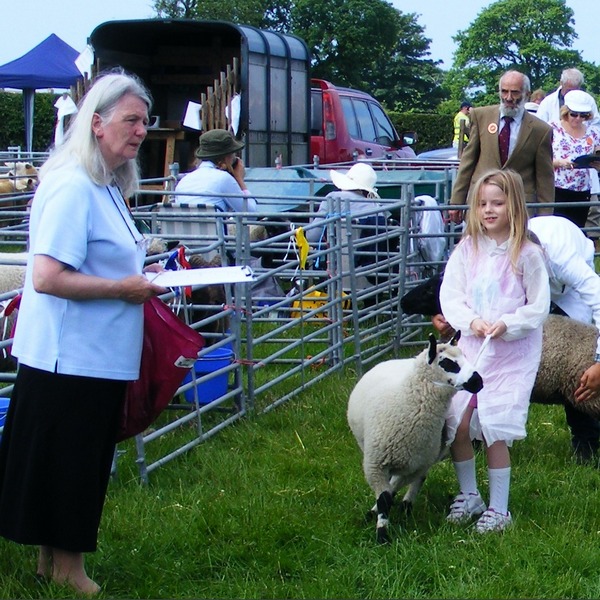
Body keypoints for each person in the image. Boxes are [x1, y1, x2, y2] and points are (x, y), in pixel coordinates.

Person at [0, 71, 167, 595]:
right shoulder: (73, 186)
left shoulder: (105, 186)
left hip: (91, 355)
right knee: (70, 465)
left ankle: (51, 565)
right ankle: (70, 572)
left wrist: (144, 279)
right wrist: (123, 288)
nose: (141, 130)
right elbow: (48, 277)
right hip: (68, 357)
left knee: (68, 462)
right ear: (96, 123)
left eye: (146, 121)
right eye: (131, 120)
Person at [440, 169, 550, 533]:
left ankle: (499, 509)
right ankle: (469, 493)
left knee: (494, 426)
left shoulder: (527, 254)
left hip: (510, 354)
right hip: (472, 347)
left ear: (513, 205)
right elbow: (451, 294)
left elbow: (538, 306)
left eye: (497, 203)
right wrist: (470, 321)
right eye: (483, 203)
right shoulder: (467, 248)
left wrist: (507, 324)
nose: (488, 210)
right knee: (458, 421)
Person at [449, 70, 554, 223]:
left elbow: (545, 177)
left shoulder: (541, 130)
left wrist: (546, 218)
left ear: (527, 94)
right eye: (504, 91)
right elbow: (468, 162)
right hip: (481, 204)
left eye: (515, 93)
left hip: (519, 207)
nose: (508, 98)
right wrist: (457, 201)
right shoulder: (480, 116)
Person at [550, 90, 600, 228]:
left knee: (577, 229)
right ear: (566, 112)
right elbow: (540, 159)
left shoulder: (593, 132)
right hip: (557, 188)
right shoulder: (552, 128)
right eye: (574, 114)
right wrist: (558, 163)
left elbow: (597, 151)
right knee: (557, 229)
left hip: (582, 190)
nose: (578, 118)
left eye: (583, 116)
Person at [174, 128, 257, 212]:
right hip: (215, 224)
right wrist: (239, 180)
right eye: (233, 153)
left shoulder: (184, 181)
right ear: (226, 157)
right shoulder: (223, 178)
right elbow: (250, 214)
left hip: (184, 224)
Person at [305, 162, 382, 246]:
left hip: (340, 254)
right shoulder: (376, 206)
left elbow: (312, 236)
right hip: (371, 255)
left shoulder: (333, 197)